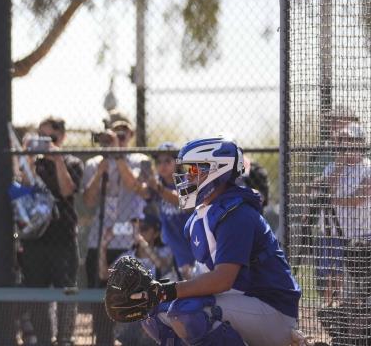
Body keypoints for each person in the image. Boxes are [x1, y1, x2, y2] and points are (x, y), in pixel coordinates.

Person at [139, 137, 301, 345]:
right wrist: (157, 291)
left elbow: (222, 280)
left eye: (195, 170)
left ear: (217, 171)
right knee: (155, 310)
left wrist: (169, 290)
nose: (187, 176)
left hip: (273, 311)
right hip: (243, 303)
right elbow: (204, 278)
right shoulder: (204, 212)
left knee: (186, 311)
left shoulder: (236, 213)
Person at [82, 114, 149, 345]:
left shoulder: (141, 160)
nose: (118, 139)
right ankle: (103, 340)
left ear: (130, 136)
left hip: (129, 240)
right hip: (99, 239)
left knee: (129, 296)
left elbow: (136, 186)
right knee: (100, 299)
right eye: (114, 134)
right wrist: (101, 169)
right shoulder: (94, 163)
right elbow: (89, 201)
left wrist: (117, 156)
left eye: (123, 135)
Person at [17, 117, 83, 346]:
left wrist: (57, 160)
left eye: (52, 139)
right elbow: (23, 187)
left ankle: (65, 338)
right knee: (37, 293)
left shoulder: (72, 162)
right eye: (42, 138)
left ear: (62, 138)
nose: (47, 144)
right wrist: (27, 156)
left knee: (67, 290)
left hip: (63, 235)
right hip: (36, 238)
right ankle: (44, 339)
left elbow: (67, 190)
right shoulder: (33, 163)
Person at [316, 122, 371, 341]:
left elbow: (359, 198)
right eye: (342, 142)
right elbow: (326, 190)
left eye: (349, 141)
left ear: (360, 144)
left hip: (365, 238)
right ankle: (348, 335)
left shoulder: (368, 167)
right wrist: (339, 165)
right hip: (340, 236)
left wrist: (333, 199)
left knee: (364, 291)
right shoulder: (332, 167)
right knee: (347, 294)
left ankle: (362, 333)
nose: (344, 146)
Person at [99, 215, 173, 346]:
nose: (139, 232)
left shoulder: (165, 251)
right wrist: (103, 246)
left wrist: (141, 241)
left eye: (144, 228)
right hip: (132, 311)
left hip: (154, 310)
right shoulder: (127, 256)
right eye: (137, 229)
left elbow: (160, 264)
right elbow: (104, 274)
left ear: (156, 233)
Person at [143, 142, 195, 280]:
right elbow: (144, 194)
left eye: (167, 161)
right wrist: (142, 180)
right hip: (171, 244)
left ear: (177, 162)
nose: (162, 165)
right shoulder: (157, 181)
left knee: (192, 281)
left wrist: (159, 189)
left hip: (190, 241)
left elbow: (186, 203)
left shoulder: (187, 179)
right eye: (159, 162)